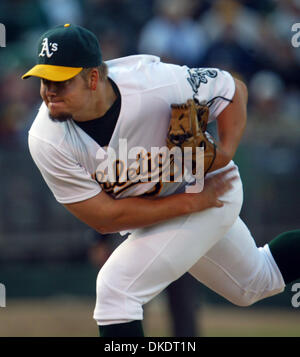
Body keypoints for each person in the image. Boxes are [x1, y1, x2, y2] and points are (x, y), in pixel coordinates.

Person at [22, 24, 299, 337]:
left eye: (61, 80)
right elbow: (104, 217)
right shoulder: (47, 139)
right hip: (180, 202)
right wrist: (189, 203)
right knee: (255, 282)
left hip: (208, 188)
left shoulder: (155, 85)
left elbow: (233, 90)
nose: (49, 91)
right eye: (44, 80)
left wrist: (223, 153)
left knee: (117, 291)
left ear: (93, 78)